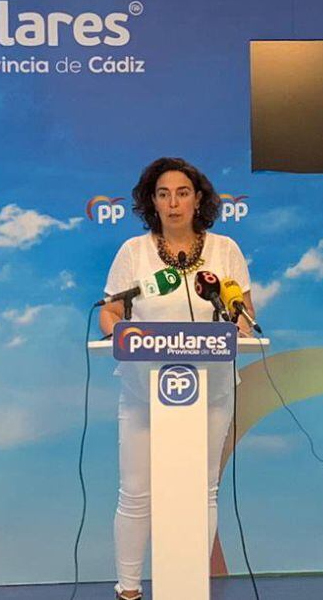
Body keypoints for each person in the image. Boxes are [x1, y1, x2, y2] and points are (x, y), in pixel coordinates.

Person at [99, 157, 255, 600]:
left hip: (211, 388)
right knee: (136, 491)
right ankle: (128, 590)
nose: (173, 202)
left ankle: (189, 587)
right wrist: (118, 329)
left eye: (182, 193)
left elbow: (244, 315)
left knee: (202, 488)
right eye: (163, 194)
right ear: (152, 201)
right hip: (142, 389)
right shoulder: (134, 252)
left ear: (198, 199)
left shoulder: (225, 250)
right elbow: (111, 311)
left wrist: (238, 322)